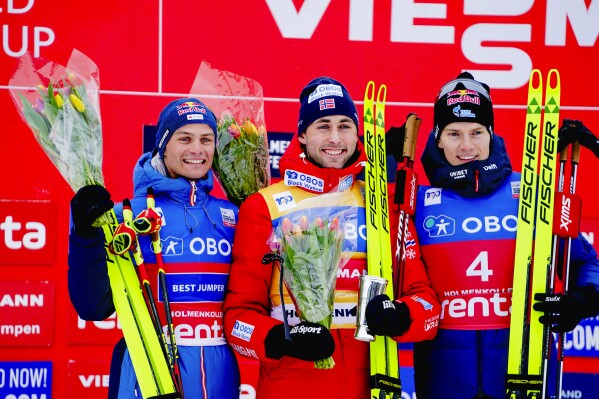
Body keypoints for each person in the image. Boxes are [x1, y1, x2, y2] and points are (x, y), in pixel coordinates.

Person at [222, 76, 440, 399]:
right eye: (323, 126)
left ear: (357, 132)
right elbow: (238, 319)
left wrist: (400, 315)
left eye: (344, 125)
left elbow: (428, 306)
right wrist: (282, 339)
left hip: (370, 385)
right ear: (302, 135)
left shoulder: (380, 203)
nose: (335, 138)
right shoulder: (264, 206)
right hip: (290, 387)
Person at [408, 72, 599, 399]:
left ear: (491, 134)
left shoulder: (530, 193)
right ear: (438, 138)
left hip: (524, 371)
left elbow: (584, 262)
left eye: (476, 132)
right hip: (443, 379)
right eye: (454, 133)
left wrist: (582, 301)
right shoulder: (419, 201)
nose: (466, 146)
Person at [68, 98, 240, 399]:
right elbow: (93, 306)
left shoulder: (233, 215)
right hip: (146, 373)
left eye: (206, 139)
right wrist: (85, 235)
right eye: (184, 138)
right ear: (163, 145)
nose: (197, 150)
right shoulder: (126, 216)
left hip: (219, 375)